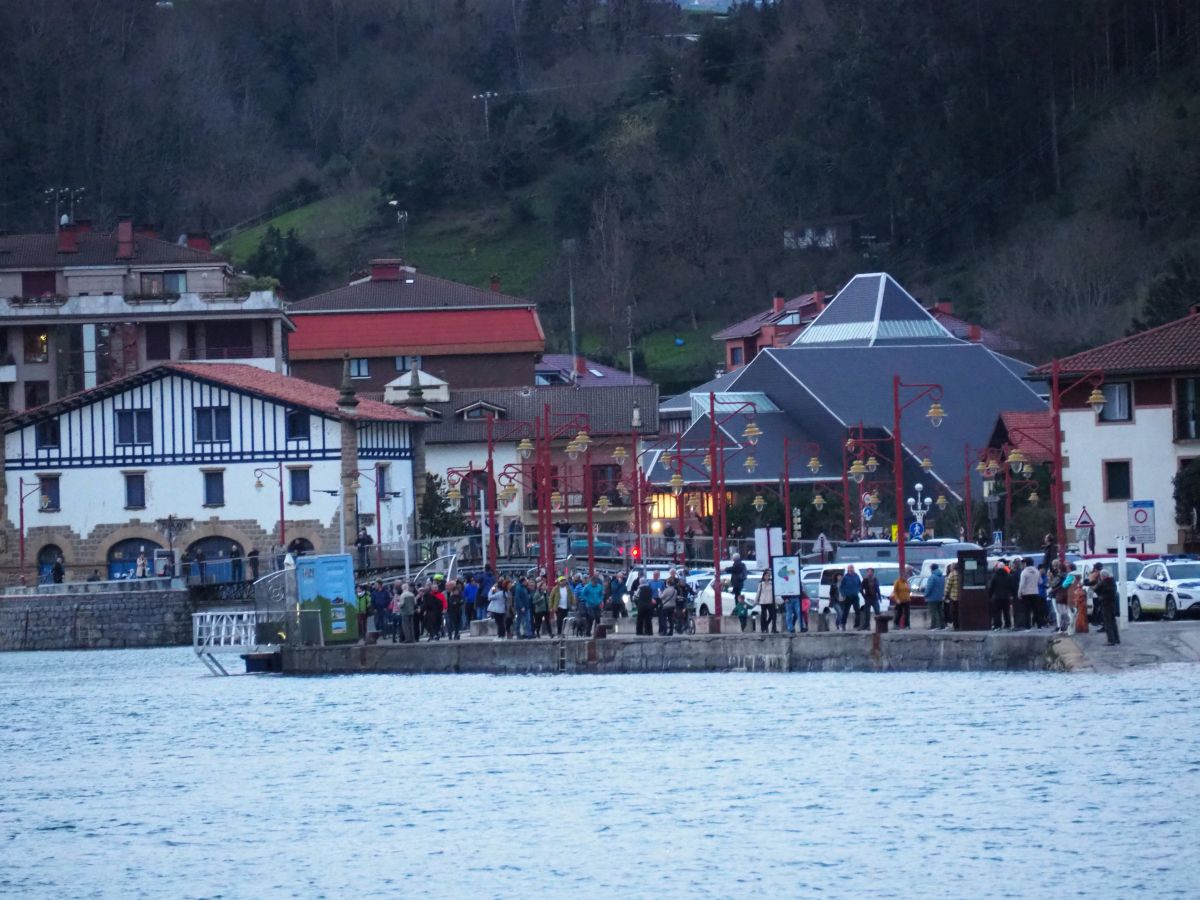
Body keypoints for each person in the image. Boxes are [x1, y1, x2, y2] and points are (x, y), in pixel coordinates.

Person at [1094, 566, 1120, 645]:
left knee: (1107, 622)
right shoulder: (1112, 582)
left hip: (1105, 603)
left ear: (1102, 576)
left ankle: (1111, 640)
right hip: (1112, 603)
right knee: (1113, 621)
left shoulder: (1103, 583)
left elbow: (1096, 589)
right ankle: (1116, 638)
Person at [988, 561, 1014, 630]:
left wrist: (990, 595)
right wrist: (1011, 594)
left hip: (997, 597)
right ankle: (1007, 625)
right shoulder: (1008, 576)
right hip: (1006, 597)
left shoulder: (995, 576)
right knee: (1006, 612)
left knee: (997, 612)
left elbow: (991, 587)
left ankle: (998, 625)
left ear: (998, 568)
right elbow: (1011, 586)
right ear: (1004, 567)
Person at [835, 565, 861, 631]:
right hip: (848, 597)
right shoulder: (845, 577)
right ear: (848, 569)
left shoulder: (857, 576)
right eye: (850, 568)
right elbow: (841, 587)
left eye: (852, 568)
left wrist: (857, 590)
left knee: (857, 611)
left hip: (855, 596)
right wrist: (844, 594)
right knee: (846, 611)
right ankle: (843, 624)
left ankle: (857, 625)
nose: (851, 569)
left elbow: (859, 585)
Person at [1018, 558, 1040, 630]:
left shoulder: (1024, 572)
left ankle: (1028, 627)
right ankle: (1039, 626)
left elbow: (1022, 584)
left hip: (1026, 593)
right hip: (1035, 592)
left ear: (1026, 563)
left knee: (1027, 611)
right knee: (1036, 610)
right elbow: (1040, 582)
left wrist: (1019, 592)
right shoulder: (1037, 571)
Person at [925, 563, 946, 630]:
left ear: (932, 569)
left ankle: (934, 625)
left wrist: (926, 594)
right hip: (940, 597)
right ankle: (942, 625)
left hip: (932, 598)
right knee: (940, 611)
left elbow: (929, 587)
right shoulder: (942, 577)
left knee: (933, 612)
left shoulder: (932, 577)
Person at [944, 561, 960, 630]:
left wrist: (945, 595)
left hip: (953, 597)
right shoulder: (960, 573)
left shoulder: (952, 574)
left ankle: (956, 626)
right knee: (959, 612)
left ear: (953, 567)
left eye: (951, 567)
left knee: (954, 612)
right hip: (961, 597)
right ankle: (960, 625)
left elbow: (948, 586)